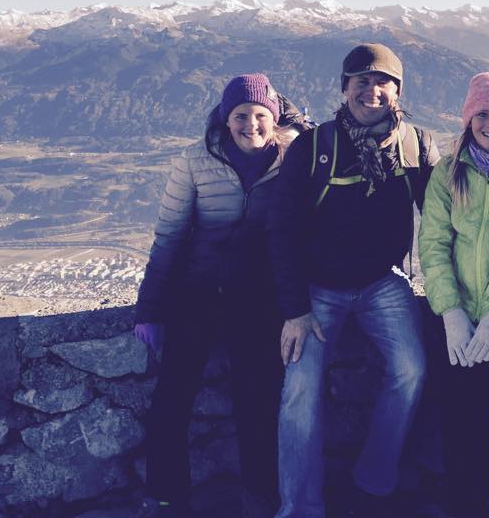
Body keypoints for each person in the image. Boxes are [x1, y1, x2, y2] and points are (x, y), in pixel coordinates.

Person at [268, 43, 439, 518]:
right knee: (300, 389)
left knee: (411, 370)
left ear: (397, 91)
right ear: (344, 89)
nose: (372, 91)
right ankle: (300, 508)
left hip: (382, 282)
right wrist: (294, 310)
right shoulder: (314, 148)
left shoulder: (416, 146)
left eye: (383, 82)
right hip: (316, 289)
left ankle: (374, 481)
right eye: (361, 81)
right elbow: (282, 229)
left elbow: (443, 220)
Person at [133, 74, 311, 518]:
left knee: (257, 401)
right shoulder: (196, 160)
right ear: (224, 119)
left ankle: (259, 499)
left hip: (258, 299)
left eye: (260, 115)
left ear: (274, 118)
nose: (251, 125)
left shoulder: (292, 159)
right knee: (173, 398)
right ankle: (167, 499)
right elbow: (170, 235)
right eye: (240, 115)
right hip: (198, 292)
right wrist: (149, 308)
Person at [418, 72, 489, 518]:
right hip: (457, 310)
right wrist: (451, 313)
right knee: (455, 408)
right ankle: (462, 501)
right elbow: (433, 246)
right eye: (482, 114)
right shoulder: (448, 172)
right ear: (468, 118)